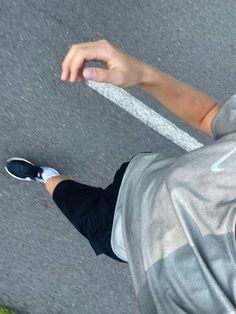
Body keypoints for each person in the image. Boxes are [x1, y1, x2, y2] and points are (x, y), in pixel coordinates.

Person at [5, 39, 236, 313]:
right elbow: (210, 116)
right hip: (143, 173)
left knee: (70, 200)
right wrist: (143, 75)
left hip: (118, 233)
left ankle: (44, 176)